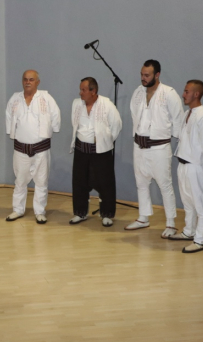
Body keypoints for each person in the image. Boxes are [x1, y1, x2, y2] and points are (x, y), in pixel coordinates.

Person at [126, 60, 185, 237]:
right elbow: (134, 115)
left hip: (159, 147)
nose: (143, 78)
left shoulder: (169, 93)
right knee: (141, 183)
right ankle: (143, 217)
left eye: (147, 75)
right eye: (142, 74)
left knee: (165, 185)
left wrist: (169, 137)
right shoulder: (138, 92)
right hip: (139, 145)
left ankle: (171, 223)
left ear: (157, 75)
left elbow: (178, 120)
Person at [5, 70, 61, 224]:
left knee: (41, 181)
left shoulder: (46, 98)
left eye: (31, 79)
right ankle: (18, 209)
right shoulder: (15, 99)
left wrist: (53, 129)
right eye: (25, 79)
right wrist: (11, 132)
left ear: (38, 82)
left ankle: (40, 211)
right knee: (20, 180)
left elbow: (56, 116)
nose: (27, 82)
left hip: (41, 149)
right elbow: (9, 117)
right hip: (21, 148)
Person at [69, 77, 122, 226]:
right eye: (80, 89)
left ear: (93, 91)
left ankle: (106, 214)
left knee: (105, 183)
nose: (80, 93)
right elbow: (74, 123)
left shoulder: (106, 104)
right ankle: (80, 213)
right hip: (81, 149)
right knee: (79, 182)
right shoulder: (76, 104)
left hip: (101, 151)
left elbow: (116, 125)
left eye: (83, 90)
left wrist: (106, 142)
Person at [169, 80, 203, 253]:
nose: (183, 94)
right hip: (182, 163)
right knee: (188, 202)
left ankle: (200, 239)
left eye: (186, 91)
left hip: (196, 166)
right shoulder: (186, 114)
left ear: (196, 94)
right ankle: (189, 231)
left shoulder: (202, 115)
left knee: (199, 204)